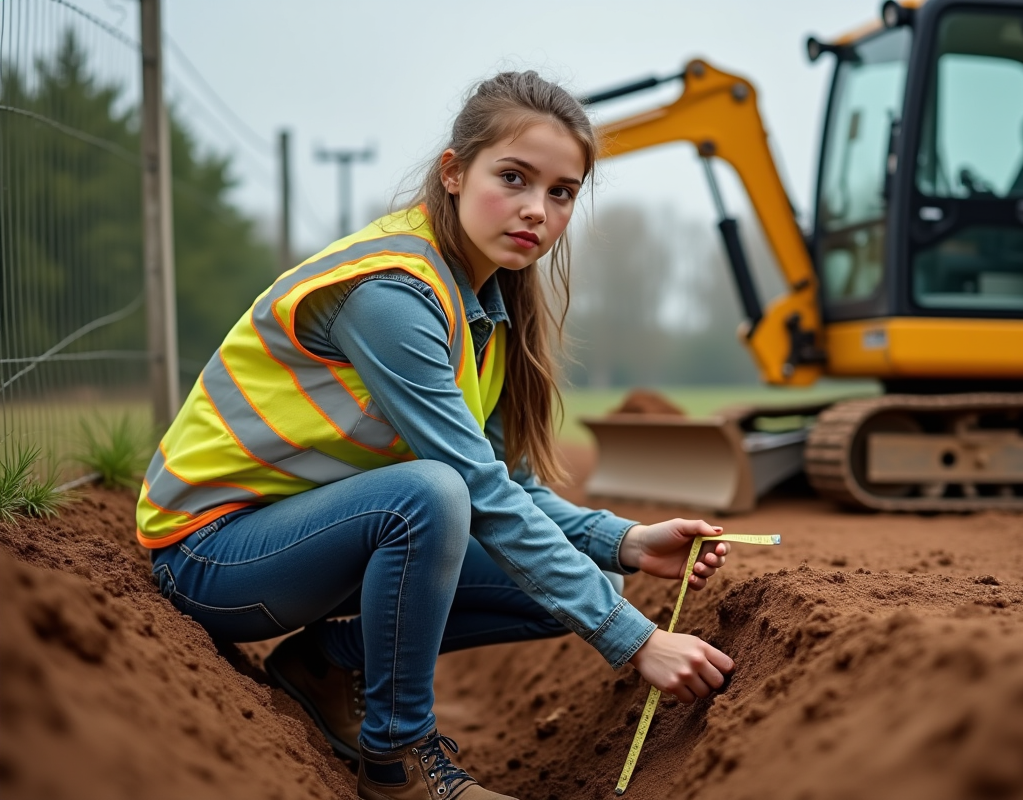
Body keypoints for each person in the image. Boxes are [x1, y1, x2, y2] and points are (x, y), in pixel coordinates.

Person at [137, 71, 735, 800]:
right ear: (453, 172)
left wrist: (623, 541)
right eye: (513, 178)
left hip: (297, 540)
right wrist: (634, 640)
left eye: (561, 192)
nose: (535, 210)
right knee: (429, 496)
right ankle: (399, 762)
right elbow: (472, 488)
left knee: (582, 581)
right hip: (207, 554)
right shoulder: (392, 295)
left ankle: (327, 663)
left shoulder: (481, 300)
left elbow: (505, 480)